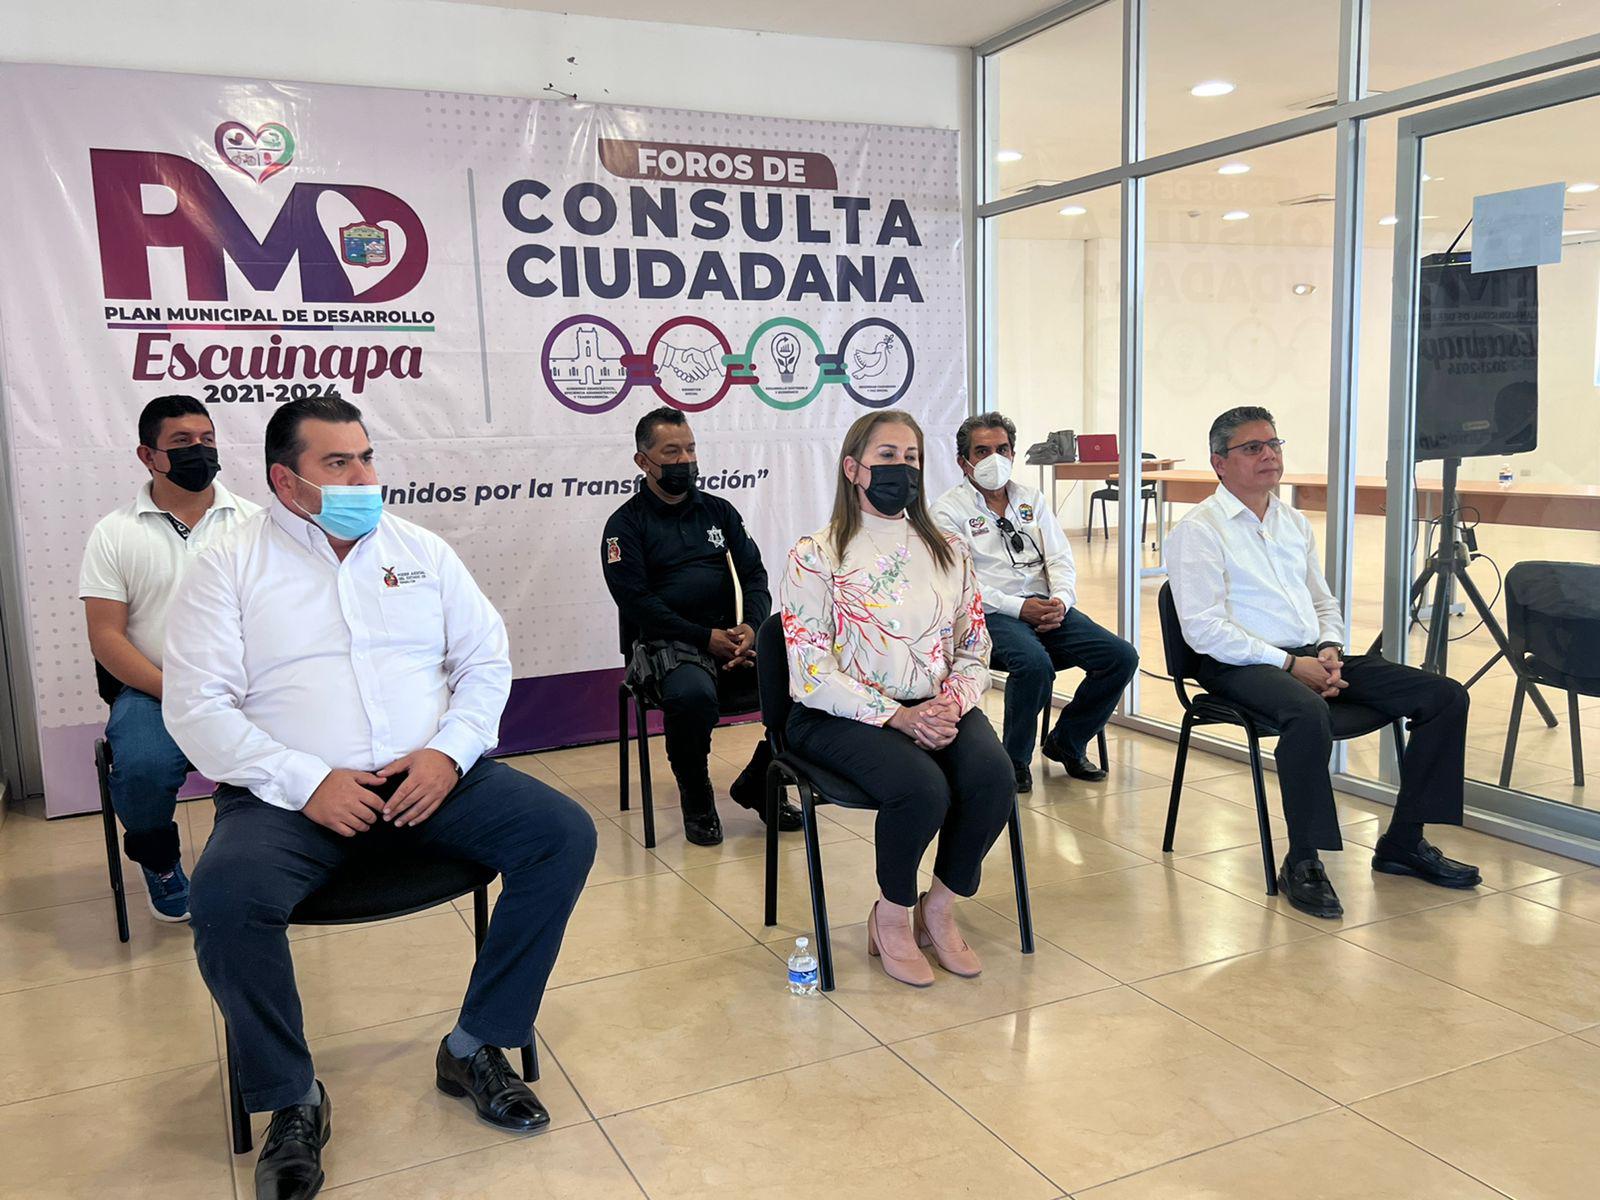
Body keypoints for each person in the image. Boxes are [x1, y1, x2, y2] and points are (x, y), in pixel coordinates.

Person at [163, 396, 596, 1200]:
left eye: (366, 457)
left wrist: (447, 753)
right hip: (287, 798)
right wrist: (307, 781)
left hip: (429, 780)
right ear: (285, 481)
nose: (364, 477)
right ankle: (293, 1098)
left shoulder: (419, 550)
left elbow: (485, 661)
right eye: (339, 463)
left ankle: (475, 1044)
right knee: (222, 899)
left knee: (562, 834)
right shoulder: (226, 565)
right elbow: (196, 710)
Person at [1165, 405, 1480, 919]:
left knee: (1443, 695)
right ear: (1220, 463)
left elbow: (1322, 601)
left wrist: (1329, 647)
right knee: (1307, 713)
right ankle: (1303, 860)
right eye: (1252, 448)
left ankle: (1403, 842)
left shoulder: (1291, 522)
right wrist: (1291, 667)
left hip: (1310, 654)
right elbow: (1204, 630)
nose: (1269, 455)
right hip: (1236, 663)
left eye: (1274, 444)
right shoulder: (1198, 529)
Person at [780, 409, 1014, 988]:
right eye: (887, 456)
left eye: (911, 458)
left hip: (937, 704)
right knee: (921, 789)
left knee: (993, 777)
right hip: (838, 715)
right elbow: (810, 672)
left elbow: (975, 645)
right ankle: (892, 915)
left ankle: (940, 908)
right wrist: (898, 717)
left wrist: (950, 703)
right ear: (853, 468)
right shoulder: (816, 554)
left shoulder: (948, 549)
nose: (902, 468)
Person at [79, 394, 261, 921]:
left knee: (306, 739)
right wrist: (176, 690)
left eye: (207, 440)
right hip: (154, 687)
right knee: (142, 767)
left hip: (248, 683)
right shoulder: (114, 533)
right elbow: (106, 637)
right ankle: (160, 863)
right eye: (182, 442)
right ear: (148, 456)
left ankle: (271, 856)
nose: (199, 451)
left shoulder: (255, 523)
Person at [601, 406, 800, 846]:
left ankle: (759, 780)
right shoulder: (625, 525)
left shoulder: (718, 511)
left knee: (808, 679)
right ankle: (696, 796)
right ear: (643, 461)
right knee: (691, 695)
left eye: (690, 449)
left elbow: (755, 575)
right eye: (671, 452)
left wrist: (751, 627)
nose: (685, 461)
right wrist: (704, 638)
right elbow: (636, 603)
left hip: (733, 640)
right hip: (669, 646)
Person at [932, 412, 1138, 794]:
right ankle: (1013, 762)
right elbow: (960, 583)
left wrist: (1061, 600)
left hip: (1045, 607)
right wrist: (1018, 608)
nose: (995, 459)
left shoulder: (1032, 499)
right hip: (991, 614)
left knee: (1120, 657)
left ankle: (1067, 742)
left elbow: (1060, 558)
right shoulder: (947, 511)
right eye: (982, 451)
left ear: (1013, 454)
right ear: (963, 461)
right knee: (1034, 665)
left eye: (1002, 449)